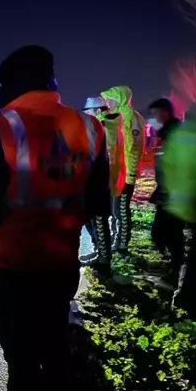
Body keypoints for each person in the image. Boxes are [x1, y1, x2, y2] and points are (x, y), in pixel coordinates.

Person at [0, 45, 110, 391]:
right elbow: (98, 202)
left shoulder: (0, 128)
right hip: (60, 265)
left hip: (11, 271)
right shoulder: (90, 127)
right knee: (54, 351)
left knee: (21, 365)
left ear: (10, 84)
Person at [80, 95, 126, 267]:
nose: (86, 115)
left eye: (88, 111)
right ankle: (100, 253)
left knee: (99, 221)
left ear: (98, 111)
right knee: (93, 219)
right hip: (102, 180)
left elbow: (104, 158)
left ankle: (104, 260)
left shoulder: (105, 128)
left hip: (100, 182)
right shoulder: (109, 126)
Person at [100, 86, 147, 253]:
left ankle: (122, 244)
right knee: (114, 210)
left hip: (126, 175)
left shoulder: (132, 119)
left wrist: (131, 175)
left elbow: (135, 148)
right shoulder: (119, 117)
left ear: (120, 99)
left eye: (111, 99)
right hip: (118, 173)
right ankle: (116, 240)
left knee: (121, 211)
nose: (108, 102)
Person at [161, 104, 196, 315]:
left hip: (183, 203)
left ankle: (183, 298)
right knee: (192, 252)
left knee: (190, 251)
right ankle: (184, 298)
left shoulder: (179, 135)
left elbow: (168, 165)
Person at [147, 98, 184, 275]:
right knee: (163, 231)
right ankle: (174, 263)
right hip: (167, 190)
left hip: (175, 191)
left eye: (155, 113)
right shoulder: (166, 133)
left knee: (169, 231)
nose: (153, 118)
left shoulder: (175, 133)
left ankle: (177, 265)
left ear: (165, 112)